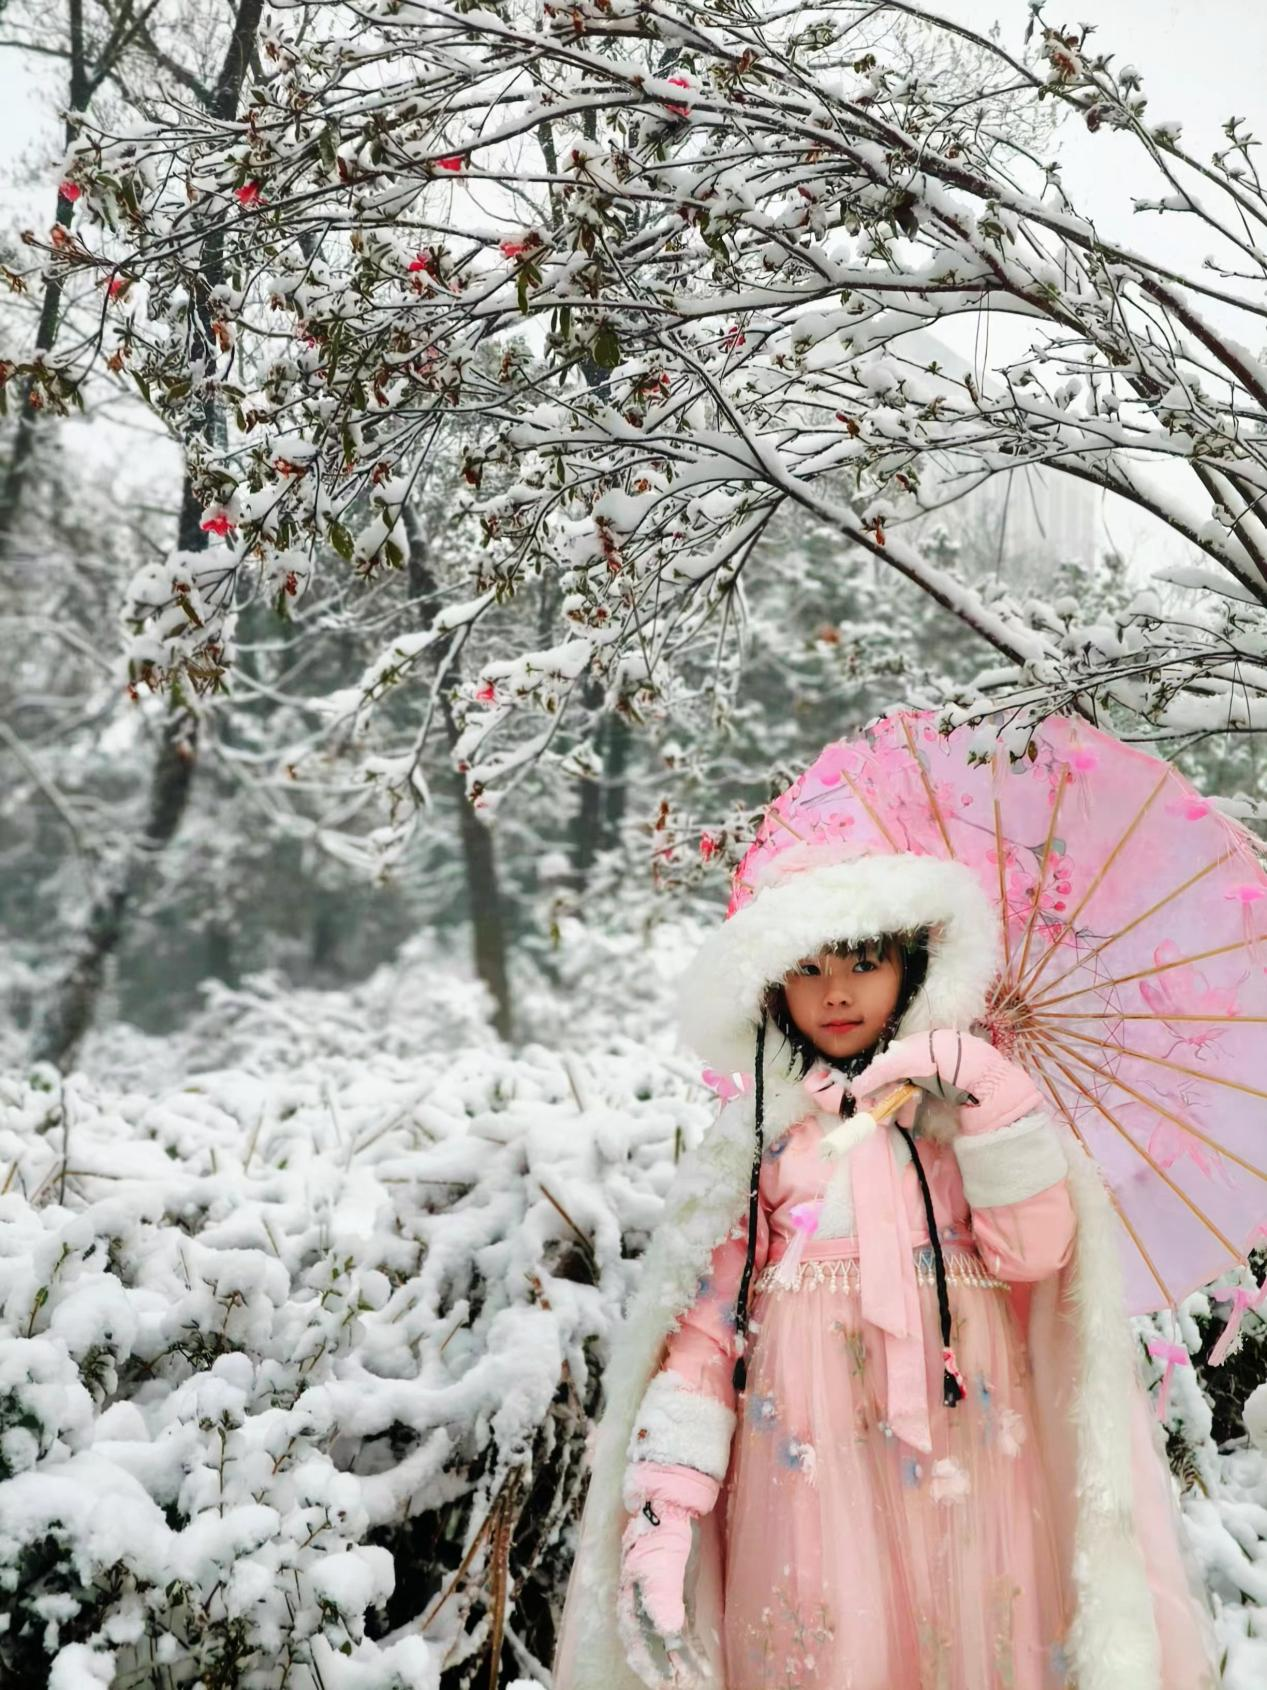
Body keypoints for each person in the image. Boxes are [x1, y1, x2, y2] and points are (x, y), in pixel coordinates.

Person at [552, 840, 1222, 1690]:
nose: (836, 992)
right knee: (828, 1638)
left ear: (912, 970)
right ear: (770, 987)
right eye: (808, 967)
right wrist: (666, 1501)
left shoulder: (958, 1119)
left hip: (967, 1445)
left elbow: (1033, 1255)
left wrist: (990, 1098)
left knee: (975, 1625)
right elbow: (706, 1328)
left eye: (864, 963)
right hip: (805, 1451)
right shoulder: (766, 1145)